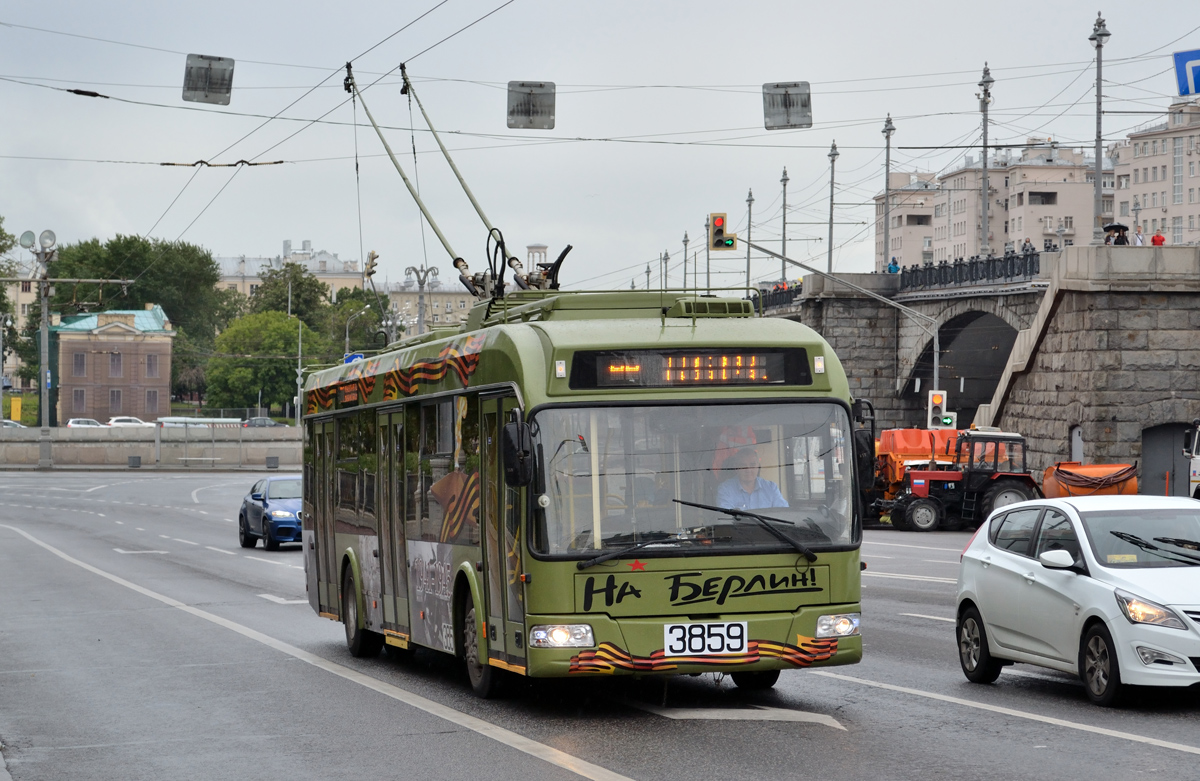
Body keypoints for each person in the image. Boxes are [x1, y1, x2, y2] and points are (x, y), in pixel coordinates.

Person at [716, 447, 788, 510]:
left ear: (758, 466)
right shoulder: (725, 489)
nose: (748, 470)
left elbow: (783, 513)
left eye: (752, 465)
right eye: (743, 465)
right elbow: (726, 517)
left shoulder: (771, 488)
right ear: (736, 468)